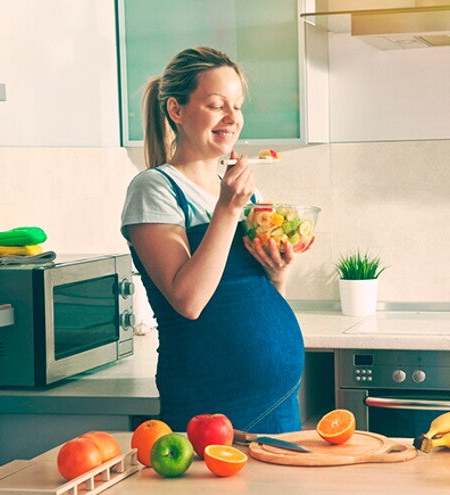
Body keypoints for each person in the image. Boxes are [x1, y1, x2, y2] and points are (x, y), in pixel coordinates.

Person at [120, 47, 313, 433]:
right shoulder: (155, 188)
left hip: (277, 404)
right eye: (216, 105)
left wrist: (276, 274)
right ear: (177, 110)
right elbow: (188, 300)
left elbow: (244, 293)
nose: (232, 118)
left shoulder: (237, 190)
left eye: (237, 106)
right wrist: (227, 208)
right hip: (212, 407)